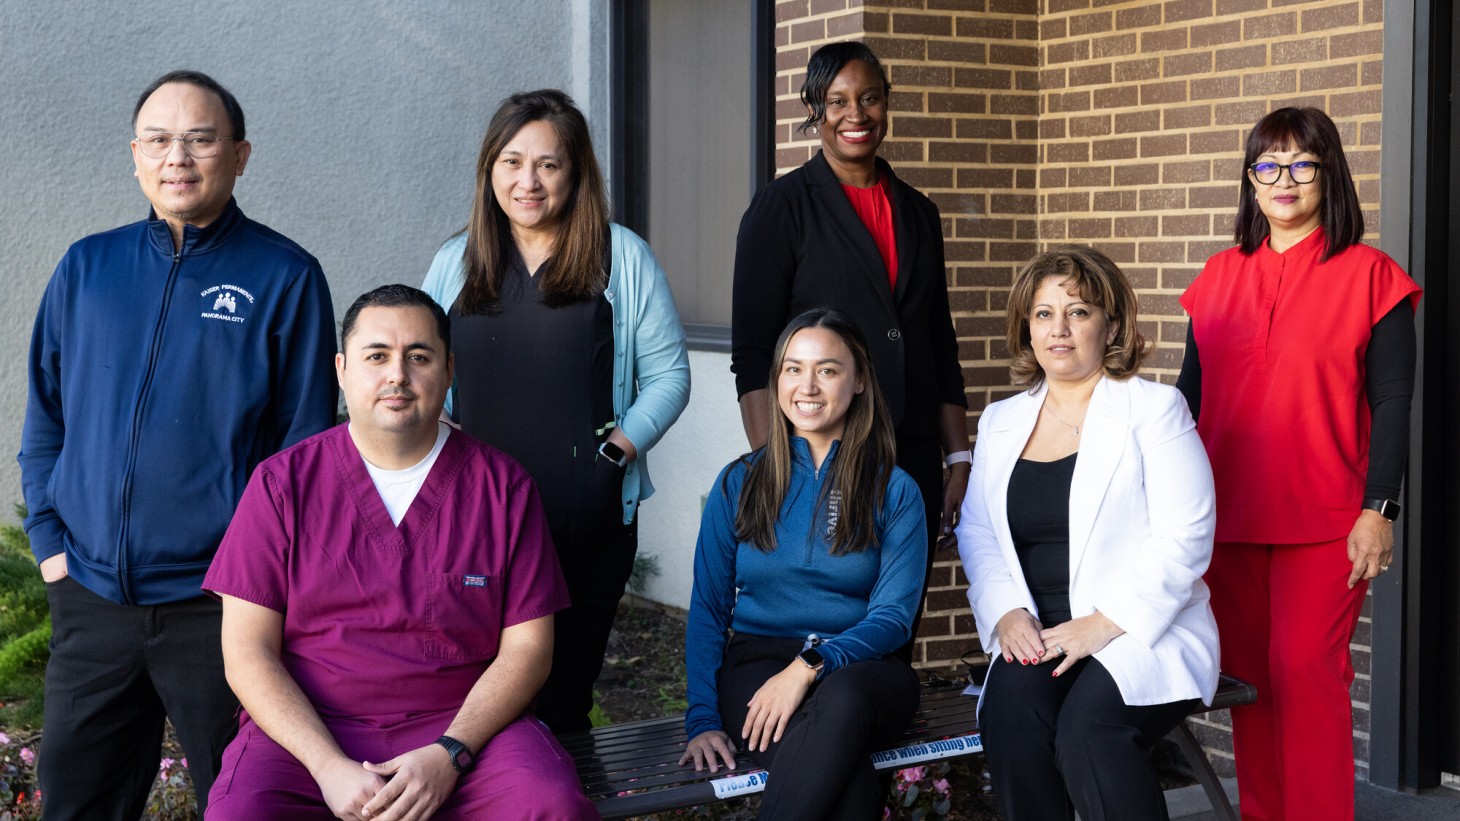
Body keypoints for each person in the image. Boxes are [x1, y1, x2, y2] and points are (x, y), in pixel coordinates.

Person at [17, 70, 337, 819]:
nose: (178, 157)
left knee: (246, 802)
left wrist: (253, 581)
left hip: (219, 608)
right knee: (75, 802)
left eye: (200, 139)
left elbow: (304, 452)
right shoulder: (86, 268)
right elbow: (45, 422)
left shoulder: (285, 276)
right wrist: (51, 545)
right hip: (91, 598)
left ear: (239, 154)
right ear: (135, 154)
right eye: (159, 140)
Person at [203, 285, 599, 821]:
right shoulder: (282, 485)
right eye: (377, 356)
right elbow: (247, 652)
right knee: (241, 814)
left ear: (449, 369)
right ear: (342, 369)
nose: (398, 375)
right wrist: (327, 767)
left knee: (548, 805)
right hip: (312, 732)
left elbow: (528, 651)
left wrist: (450, 754)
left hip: (465, 730)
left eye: (419, 356)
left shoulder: (503, 488)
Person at [1177, 107, 1421, 821]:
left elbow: (1396, 401)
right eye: (1268, 164)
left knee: (1307, 673)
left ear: (1329, 172)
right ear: (1250, 181)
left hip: (1328, 519)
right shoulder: (1217, 277)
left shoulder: (1374, 276)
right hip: (1227, 517)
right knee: (1253, 681)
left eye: (1302, 163)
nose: (1284, 179)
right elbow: (1184, 405)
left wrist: (1382, 511)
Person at [422, 89, 689, 734]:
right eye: (512, 161)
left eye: (548, 164)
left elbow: (668, 375)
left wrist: (614, 453)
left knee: (563, 697)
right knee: (473, 694)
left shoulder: (618, 255)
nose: (528, 181)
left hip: (585, 519)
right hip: (474, 521)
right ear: (490, 169)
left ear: (577, 173)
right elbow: (424, 370)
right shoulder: (455, 262)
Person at [956, 247, 1219, 821]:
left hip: (1139, 629)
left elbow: (1187, 535)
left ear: (1111, 324)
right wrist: (1005, 613)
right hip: (1037, 629)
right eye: (1043, 314)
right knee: (1012, 714)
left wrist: (1101, 625)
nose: (1059, 329)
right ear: (1026, 330)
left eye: (1078, 312)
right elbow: (978, 532)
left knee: (1088, 730)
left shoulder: (1154, 409)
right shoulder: (1002, 421)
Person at [731, 42, 969, 620]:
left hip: (910, 448)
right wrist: (773, 465)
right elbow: (754, 350)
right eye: (836, 101)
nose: (855, 114)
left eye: (869, 98)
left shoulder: (919, 213)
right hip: (820, 452)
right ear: (815, 109)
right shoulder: (780, 207)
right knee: (828, 616)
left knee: (899, 614)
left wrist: (958, 456)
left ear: (887, 104)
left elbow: (938, 338)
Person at [681, 309, 927, 820]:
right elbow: (708, 608)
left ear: (858, 380)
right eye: (793, 368)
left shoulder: (894, 489)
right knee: (846, 777)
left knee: (843, 701)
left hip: (866, 670)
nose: (807, 386)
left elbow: (893, 618)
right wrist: (702, 718)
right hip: (757, 667)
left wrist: (810, 666)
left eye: (828, 370)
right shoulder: (739, 483)